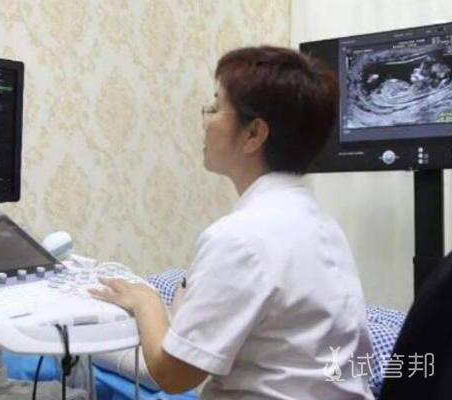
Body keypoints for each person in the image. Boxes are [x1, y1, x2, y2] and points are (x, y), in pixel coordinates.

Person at [90, 45, 375, 400]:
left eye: (214, 107)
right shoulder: (321, 223)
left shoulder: (239, 237)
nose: (205, 120)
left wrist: (145, 301)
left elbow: (173, 375)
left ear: (254, 134)